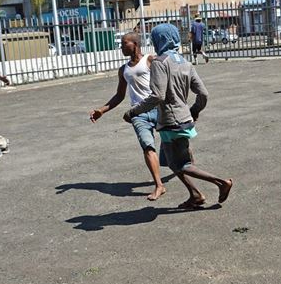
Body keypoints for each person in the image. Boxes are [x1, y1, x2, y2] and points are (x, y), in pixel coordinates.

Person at [125, 24, 232, 209]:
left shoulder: (160, 62)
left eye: (154, 38)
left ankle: (221, 182)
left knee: (182, 164)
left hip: (170, 121)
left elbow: (157, 96)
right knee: (172, 162)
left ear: (160, 40)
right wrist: (194, 111)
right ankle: (195, 195)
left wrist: (134, 112)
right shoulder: (185, 62)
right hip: (184, 120)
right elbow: (203, 94)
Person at [89, 33, 166, 201]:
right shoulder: (123, 70)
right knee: (148, 146)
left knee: (173, 142)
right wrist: (102, 110)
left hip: (158, 109)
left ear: (135, 44)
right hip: (138, 113)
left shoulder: (150, 60)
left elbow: (165, 83)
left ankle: (188, 166)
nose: (121, 47)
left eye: (124, 43)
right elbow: (119, 95)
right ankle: (159, 185)